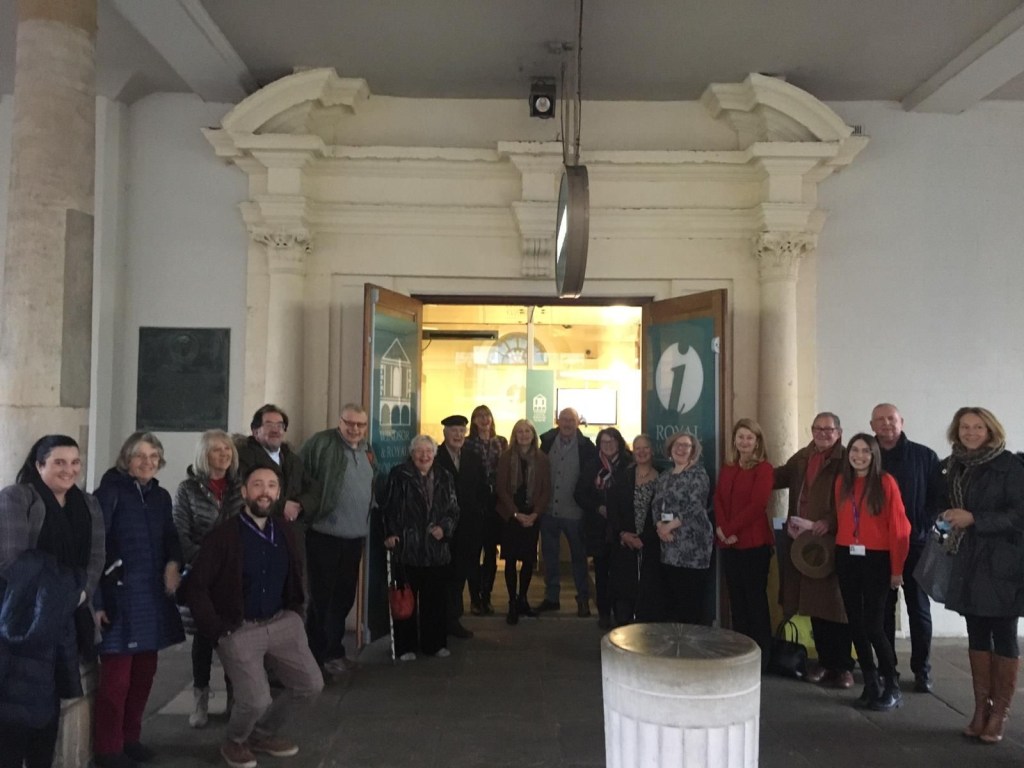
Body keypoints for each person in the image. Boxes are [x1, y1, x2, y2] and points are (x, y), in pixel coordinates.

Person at [185, 464, 324, 768]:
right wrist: (218, 630)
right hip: (240, 629)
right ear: (245, 492)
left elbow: (297, 573)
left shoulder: (284, 530)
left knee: (310, 686)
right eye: (258, 485)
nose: (265, 491)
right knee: (256, 699)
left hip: (281, 621)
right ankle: (235, 740)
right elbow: (196, 587)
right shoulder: (224, 536)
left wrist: (297, 612)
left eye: (272, 485)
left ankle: (261, 733)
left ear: (278, 492)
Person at [0, 435, 105, 768]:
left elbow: (96, 557)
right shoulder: (18, 498)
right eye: (59, 462)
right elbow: (10, 561)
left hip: (72, 617)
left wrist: (81, 593)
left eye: (75, 462)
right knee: (16, 707)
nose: (69, 470)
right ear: (39, 464)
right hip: (25, 617)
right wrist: (62, 593)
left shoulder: (88, 504)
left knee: (53, 704)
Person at [92, 432, 185, 768]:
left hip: (150, 597)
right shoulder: (109, 493)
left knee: (145, 673)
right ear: (126, 458)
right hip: (120, 596)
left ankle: (131, 738)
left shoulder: (160, 496)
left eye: (154, 456)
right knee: (116, 680)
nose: (148, 462)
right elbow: (95, 549)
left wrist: (175, 564)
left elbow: (170, 535)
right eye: (140, 455)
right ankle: (108, 748)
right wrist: (97, 601)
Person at [938, 407, 1024, 744]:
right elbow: (941, 503)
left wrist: (975, 518)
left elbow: (1020, 515)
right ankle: (979, 710)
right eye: (964, 427)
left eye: (977, 427)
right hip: (969, 561)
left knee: (1003, 635)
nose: (970, 432)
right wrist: (944, 516)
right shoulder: (954, 465)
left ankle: (999, 714)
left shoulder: (1011, 466)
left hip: (1005, 564)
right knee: (976, 633)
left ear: (991, 430)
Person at [774, 412, 854, 689]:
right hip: (804, 543)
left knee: (836, 606)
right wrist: (748, 467)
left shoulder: (846, 460)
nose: (822, 433)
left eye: (828, 429)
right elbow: (779, 477)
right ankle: (823, 661)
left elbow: (851, 498)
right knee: (814, 606)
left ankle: (843, 666)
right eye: (817, 428)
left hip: (830, 541)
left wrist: (829, 521)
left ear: (839, 432)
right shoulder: (803, 457)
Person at [173, 429, 245, 728]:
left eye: (227, 449)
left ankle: (235, 699)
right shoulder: (188, 488)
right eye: (217, 450)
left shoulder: (239, 487)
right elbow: (180, 531)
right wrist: (207, 562)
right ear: (205, 454)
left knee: (234, 638)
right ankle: (200, 700)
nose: (224, 454)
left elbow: (247, 528)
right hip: (201, 574)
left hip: (232, 575)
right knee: (203, 641)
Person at [834, 433, 910, 711]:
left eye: (866, 451)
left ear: (875, 454)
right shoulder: (842, 482)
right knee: (854, 623)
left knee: (874, 626)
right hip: (846, 555)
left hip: (877, 559)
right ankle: (870, 682)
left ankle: (891, 683)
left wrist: (897, 569)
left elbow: (900, 529)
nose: (859, 455)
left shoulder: (886, 483)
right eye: (855, 450)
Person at [299, 403, 376, 677]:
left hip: (354, 537)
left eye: (360, 425)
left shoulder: (366, 449)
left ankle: (333, 652)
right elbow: (299, 477)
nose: (354, 429)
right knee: (321, 600)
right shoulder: (321, 444)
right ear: (340, 421)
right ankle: (314, 661)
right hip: (325, 536)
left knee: (343, 598)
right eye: (350, 423)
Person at [870, 402, 940, 693]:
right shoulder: (864, 455)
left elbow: (939, 499)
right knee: (882, 611)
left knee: (919, 610)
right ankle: (888, 670)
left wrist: (920, 526)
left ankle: (922, 670)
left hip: (915, 546)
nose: (886, 424)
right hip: (877, 549)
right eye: (880, 420)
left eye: (891, 418)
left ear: (902, 421)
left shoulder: (924, 456)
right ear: (872, 425)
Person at [381, 435, 460, 661]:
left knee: (435, 600)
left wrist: (444, 528)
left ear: (435, 453)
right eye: (419, 451)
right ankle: (405, 647)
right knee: (406, 600)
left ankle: (434, 644)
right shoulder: (399, 475)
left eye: (428, 451)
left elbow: (454, 510)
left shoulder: (444, 476)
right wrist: (390, 534)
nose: (424, 455)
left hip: (436, 550)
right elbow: (389, 508)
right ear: (412, 453)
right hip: (408, 547)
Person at [714, 418, 775, 668]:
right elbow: (718, 497)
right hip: (729, 544)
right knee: (736, 600)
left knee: (755, 601)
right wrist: (721, 529)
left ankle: (763, 656)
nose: (745, 442)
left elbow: (757, 505)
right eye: (740, 437)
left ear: (757, 441)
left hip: (753, 543)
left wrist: (729, 529)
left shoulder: (764, 469)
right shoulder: (728, 467)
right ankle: (741, 652)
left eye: (750, 437)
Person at [649, 431, 714, 624]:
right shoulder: (665, 476)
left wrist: (670, 527)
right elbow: (655, 504)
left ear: (693, 451)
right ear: (670, 449)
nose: (681, 449)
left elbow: (695, 505)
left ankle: (691, 648)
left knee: (691, 601)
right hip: (669, 547)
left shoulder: (698, 473)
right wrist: (660, 526)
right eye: (677, 444)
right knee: (672, 600)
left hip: (693, 547)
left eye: (686, 445)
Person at [538, 408, 598, 616]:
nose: (567, 423)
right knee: (550, 557)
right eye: (563, 419)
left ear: (578, 422)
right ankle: (552, 597)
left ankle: (583, 599)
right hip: (548, 511)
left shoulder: (587, 447)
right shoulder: (546, 442)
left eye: (571, 420)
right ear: (557, 421)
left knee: (579, 558)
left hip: (575, 514)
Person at [434, 414, 489, 639]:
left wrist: (480, 512)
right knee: (442, 575)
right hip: (442, 527)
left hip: (468, 527)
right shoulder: (435, 455)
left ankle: (453, 619)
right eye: (453, 430)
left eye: (461, 430)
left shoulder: (473, 457)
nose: (458, 435)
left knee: (460, 575)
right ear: (445, 433)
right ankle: (438, 620)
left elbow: (483, 487)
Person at [495, 419, 551, 625]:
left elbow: (546, 490)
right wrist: (516, 514)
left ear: (533, 434)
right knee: (510, 560)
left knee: (528, 560)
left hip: (531, 515)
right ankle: (511, 602)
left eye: (527, 431)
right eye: (520, 431)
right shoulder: (505, 457)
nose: (524, 434)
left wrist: (534, 514)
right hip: (511, 516)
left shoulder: (542, 459)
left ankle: (523, 600)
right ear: (514, 435)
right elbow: (500, 488)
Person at [577, 427, 632, 629]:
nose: (608, 446)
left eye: (612, 442)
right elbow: (580, 493)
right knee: (601, 573)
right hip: (598, 529)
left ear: (619, 443)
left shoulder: (628, 464)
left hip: (622, 528)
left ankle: (621, 613)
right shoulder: (592, 465)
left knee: (620, 573)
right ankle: (604, 613)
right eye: (604, 442)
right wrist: (597, 507)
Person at [606, 434, 660, 626]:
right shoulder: (624, 477)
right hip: (625, 542)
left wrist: (644, 539)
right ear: (633, 451)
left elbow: (664, 513)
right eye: (638, 448)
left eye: (646, 448)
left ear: (652, 451)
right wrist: (622, 534)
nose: (642, 452)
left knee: (649, 589)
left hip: (651, 544)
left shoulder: (662, 478)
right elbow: (613, 508)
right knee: (624, 588)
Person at [236, 404, 320, 525]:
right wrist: (282, 507)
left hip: (292, 532)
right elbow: (242, 496)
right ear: (255, 432)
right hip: (260, 528)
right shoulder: (243, 458)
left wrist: (299, 505)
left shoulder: (292, 459)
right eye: (269, 425)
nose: (275, 430)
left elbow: (313, 489)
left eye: (280, 425)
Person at [464, 404, 508, 615]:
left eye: (487, 415)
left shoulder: (501, 442)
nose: (484, 419)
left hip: (495, 505)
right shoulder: (467, 444)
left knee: (491, 553)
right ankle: (474, 598)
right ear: (473, 421)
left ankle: (487, 595)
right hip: (475, 504)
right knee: (473, 552)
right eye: (479, 416)